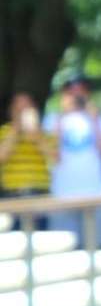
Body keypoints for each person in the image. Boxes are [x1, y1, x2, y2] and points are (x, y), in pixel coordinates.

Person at [43, 76, 101, 246]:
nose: (76, 95)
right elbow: (53, 155)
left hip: (95, 193)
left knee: (97, 248)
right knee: (63, 250)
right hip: (62, 195)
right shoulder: (52, 120)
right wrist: (62, 116)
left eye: (81, 91)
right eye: (71, 91)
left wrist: (95, 120)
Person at [0, 93, 55, 224]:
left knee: (41, 239)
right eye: (19, 109)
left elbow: (55, 158)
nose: (22, 112)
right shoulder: (3, 132)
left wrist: (37, 136)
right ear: (11, 111)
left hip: (40, 195)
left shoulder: (44, 133)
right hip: (13, 195)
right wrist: (15, 131)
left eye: (26, 108)